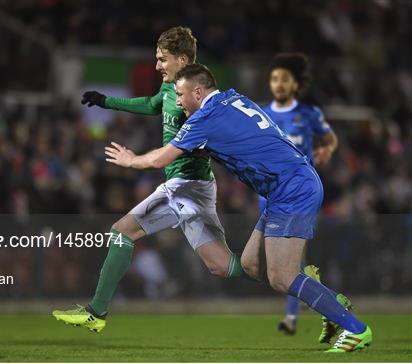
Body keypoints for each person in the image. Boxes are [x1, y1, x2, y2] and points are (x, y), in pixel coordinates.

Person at [104, 63, 372, 353]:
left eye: (180, 94)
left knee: (281, 276)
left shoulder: (204, 118)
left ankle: (355, 329)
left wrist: (131, 160)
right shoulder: (234, 98)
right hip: (286, 186)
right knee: (249, 265)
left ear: (197, 91)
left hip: (292, 188)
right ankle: (332, 301)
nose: (177, 101)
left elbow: (159, 160)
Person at [53, 27, 247, 333]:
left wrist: (135, 160)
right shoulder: (172, 90)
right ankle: (291, 275)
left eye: (162, 59)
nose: (157, 66)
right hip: (197, 187)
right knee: (222, 265)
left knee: (121, 232)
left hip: (185, 184)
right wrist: (106, 102)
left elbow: (208, 137)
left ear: (182, 60)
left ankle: (96, 312)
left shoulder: (196, 99)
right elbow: (152, 104)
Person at [260, 52, 343, 336]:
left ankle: (293, 317)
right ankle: (331, 303)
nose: (278, 84)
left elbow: (330, 138)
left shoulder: (309, 114)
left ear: (295, 84)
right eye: (274, 79)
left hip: (298, 195)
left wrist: (326, 149)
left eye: (284, 79)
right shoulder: (261, 115)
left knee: (292, 262)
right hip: (269, 195)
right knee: (283, 265)